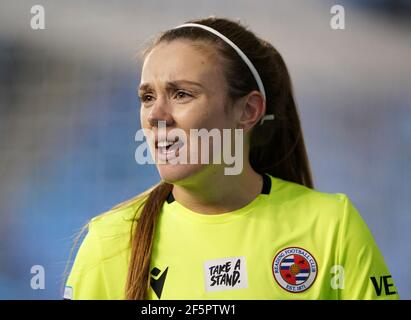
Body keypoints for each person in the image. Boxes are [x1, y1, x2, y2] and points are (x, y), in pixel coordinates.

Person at [64, 16, 399, 300]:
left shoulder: (331, 226)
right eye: (147, 97)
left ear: (248, 110)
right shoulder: (108, 242)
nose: (156, 115)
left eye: (182, 94)